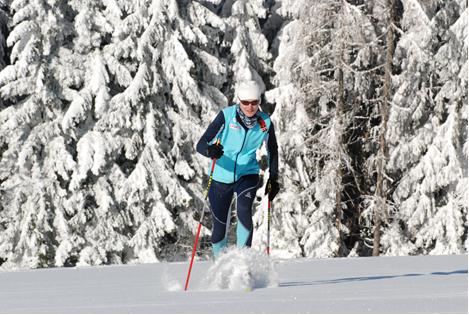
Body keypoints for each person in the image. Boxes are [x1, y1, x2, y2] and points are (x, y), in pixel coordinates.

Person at [196, 80, 280, 258]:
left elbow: (272, 149)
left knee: (243, 209)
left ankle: (243, 264)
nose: (250, 107)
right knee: (219, 225)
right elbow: (201, 144)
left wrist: (274, 177)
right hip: (221, 176)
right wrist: (210, 150)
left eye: (254, 103)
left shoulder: (265, 122)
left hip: (247, 174)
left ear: (259, 102)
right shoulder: (226, 116)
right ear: (239, 101)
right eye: (246, 103)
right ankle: (221, 266)